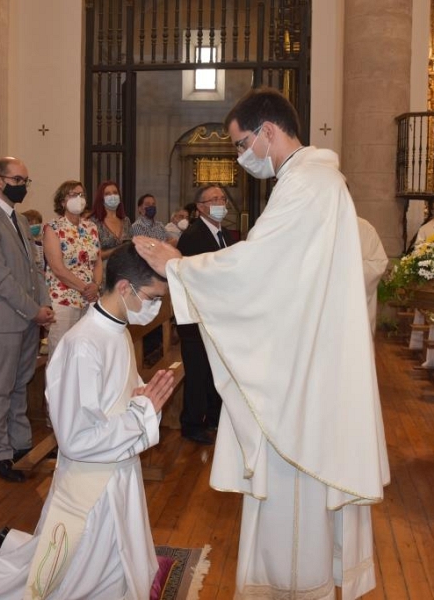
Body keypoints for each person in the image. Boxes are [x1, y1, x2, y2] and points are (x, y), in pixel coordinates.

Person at [134, 87, 389, 599]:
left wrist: (178, 267)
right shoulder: (310, 181)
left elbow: (258, 268)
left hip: (299, 370)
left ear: (268, 131)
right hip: (304, 351)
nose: (240, 157)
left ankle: (294, 587)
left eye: (241, 144)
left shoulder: (308, 184)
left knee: (295, 504)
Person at [0, 243, 175, 600]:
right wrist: (143, 413)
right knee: (66, 575)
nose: (156, 307)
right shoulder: (83, 344)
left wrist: (144, 398)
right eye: (153, 297)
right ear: (126, 288)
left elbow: (116, 399)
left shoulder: (117, 331)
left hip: (115, 470)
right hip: (90, 484)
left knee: (115, 562)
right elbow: (76, 438)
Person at [0, 156, 55, 483]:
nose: (22, 186)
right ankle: (1, 453)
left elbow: (35, 270)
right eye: (17, 180)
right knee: (1, 387)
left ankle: (21, 444)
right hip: (7, 319)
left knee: (21, 384)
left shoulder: (19, 220)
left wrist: (44, 304)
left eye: (25, 181)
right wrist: (32, 309)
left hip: (28, 318)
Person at [177, 185, 235, 445]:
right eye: (214, 200)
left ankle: (214, 416)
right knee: (198, 370)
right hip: (197, 315)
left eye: (222, 198)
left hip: (220, 315)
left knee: (216, 368)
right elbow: (194, 276)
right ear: (200, 207)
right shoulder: (192, 235)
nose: (220, 203)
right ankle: (191, 424)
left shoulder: (227, 235)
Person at [43, 180, 102, 361]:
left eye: (81, 194)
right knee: (61, 354)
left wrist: (96, 285)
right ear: (62, 202)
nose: (79, 198)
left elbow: (97, 261)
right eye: (73, 195)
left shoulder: (90, 227)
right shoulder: (53, 228)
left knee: (84, 353)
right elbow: (58, 268)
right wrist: (86, 288)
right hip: (63, 299)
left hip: (89, 298)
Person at [357, 217, 388, 334]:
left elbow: (378, 263)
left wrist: (349, 268)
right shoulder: (320, 226)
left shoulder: (364, 228)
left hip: (355, 304)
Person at [90, 179, 132, 261]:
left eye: (115, 193)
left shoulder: (126, 221)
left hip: (125, 269)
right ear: (101, 198)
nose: (112, 196)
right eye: (107, 194)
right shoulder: (93, 222)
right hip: (103, 270)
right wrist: (117, 250)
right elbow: (93, 254)